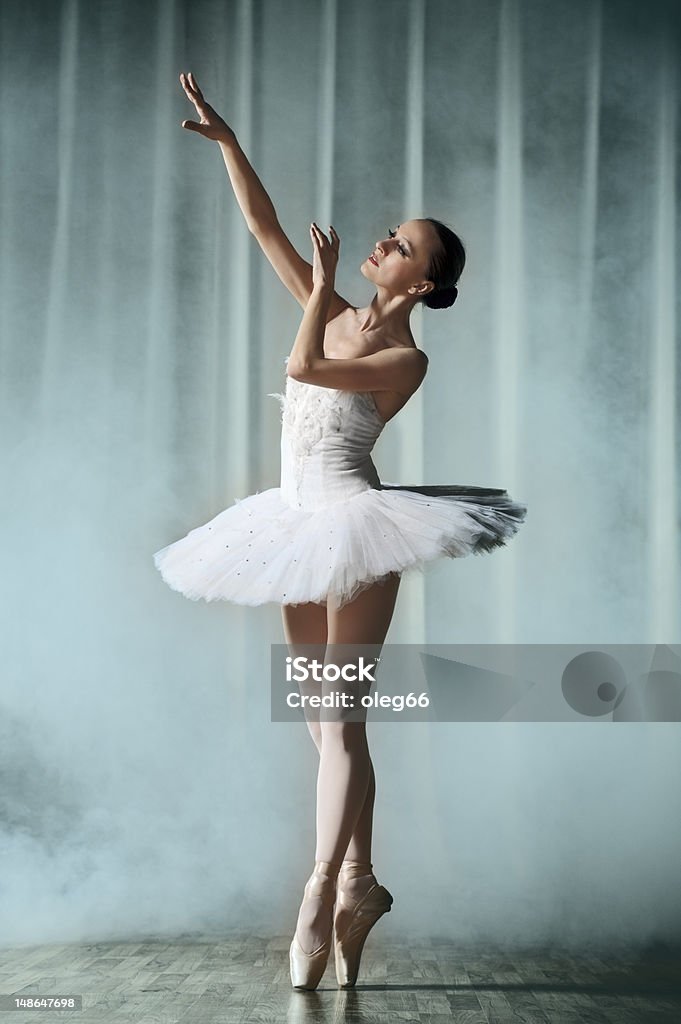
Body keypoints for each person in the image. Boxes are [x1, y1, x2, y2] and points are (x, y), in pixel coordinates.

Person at [153, 71, 527, 990]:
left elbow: (303, 365)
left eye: (397, 245)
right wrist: (231, 144)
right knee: (317, 727)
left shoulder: (403, 357)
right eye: (386, 234)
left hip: (357, 532)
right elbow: (264, 228)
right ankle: (362, 878)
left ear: (424, 280)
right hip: (289, 527)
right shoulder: (337, 306)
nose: (379, 242)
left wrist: (317, 292)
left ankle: (319, 893)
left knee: (342, 722)